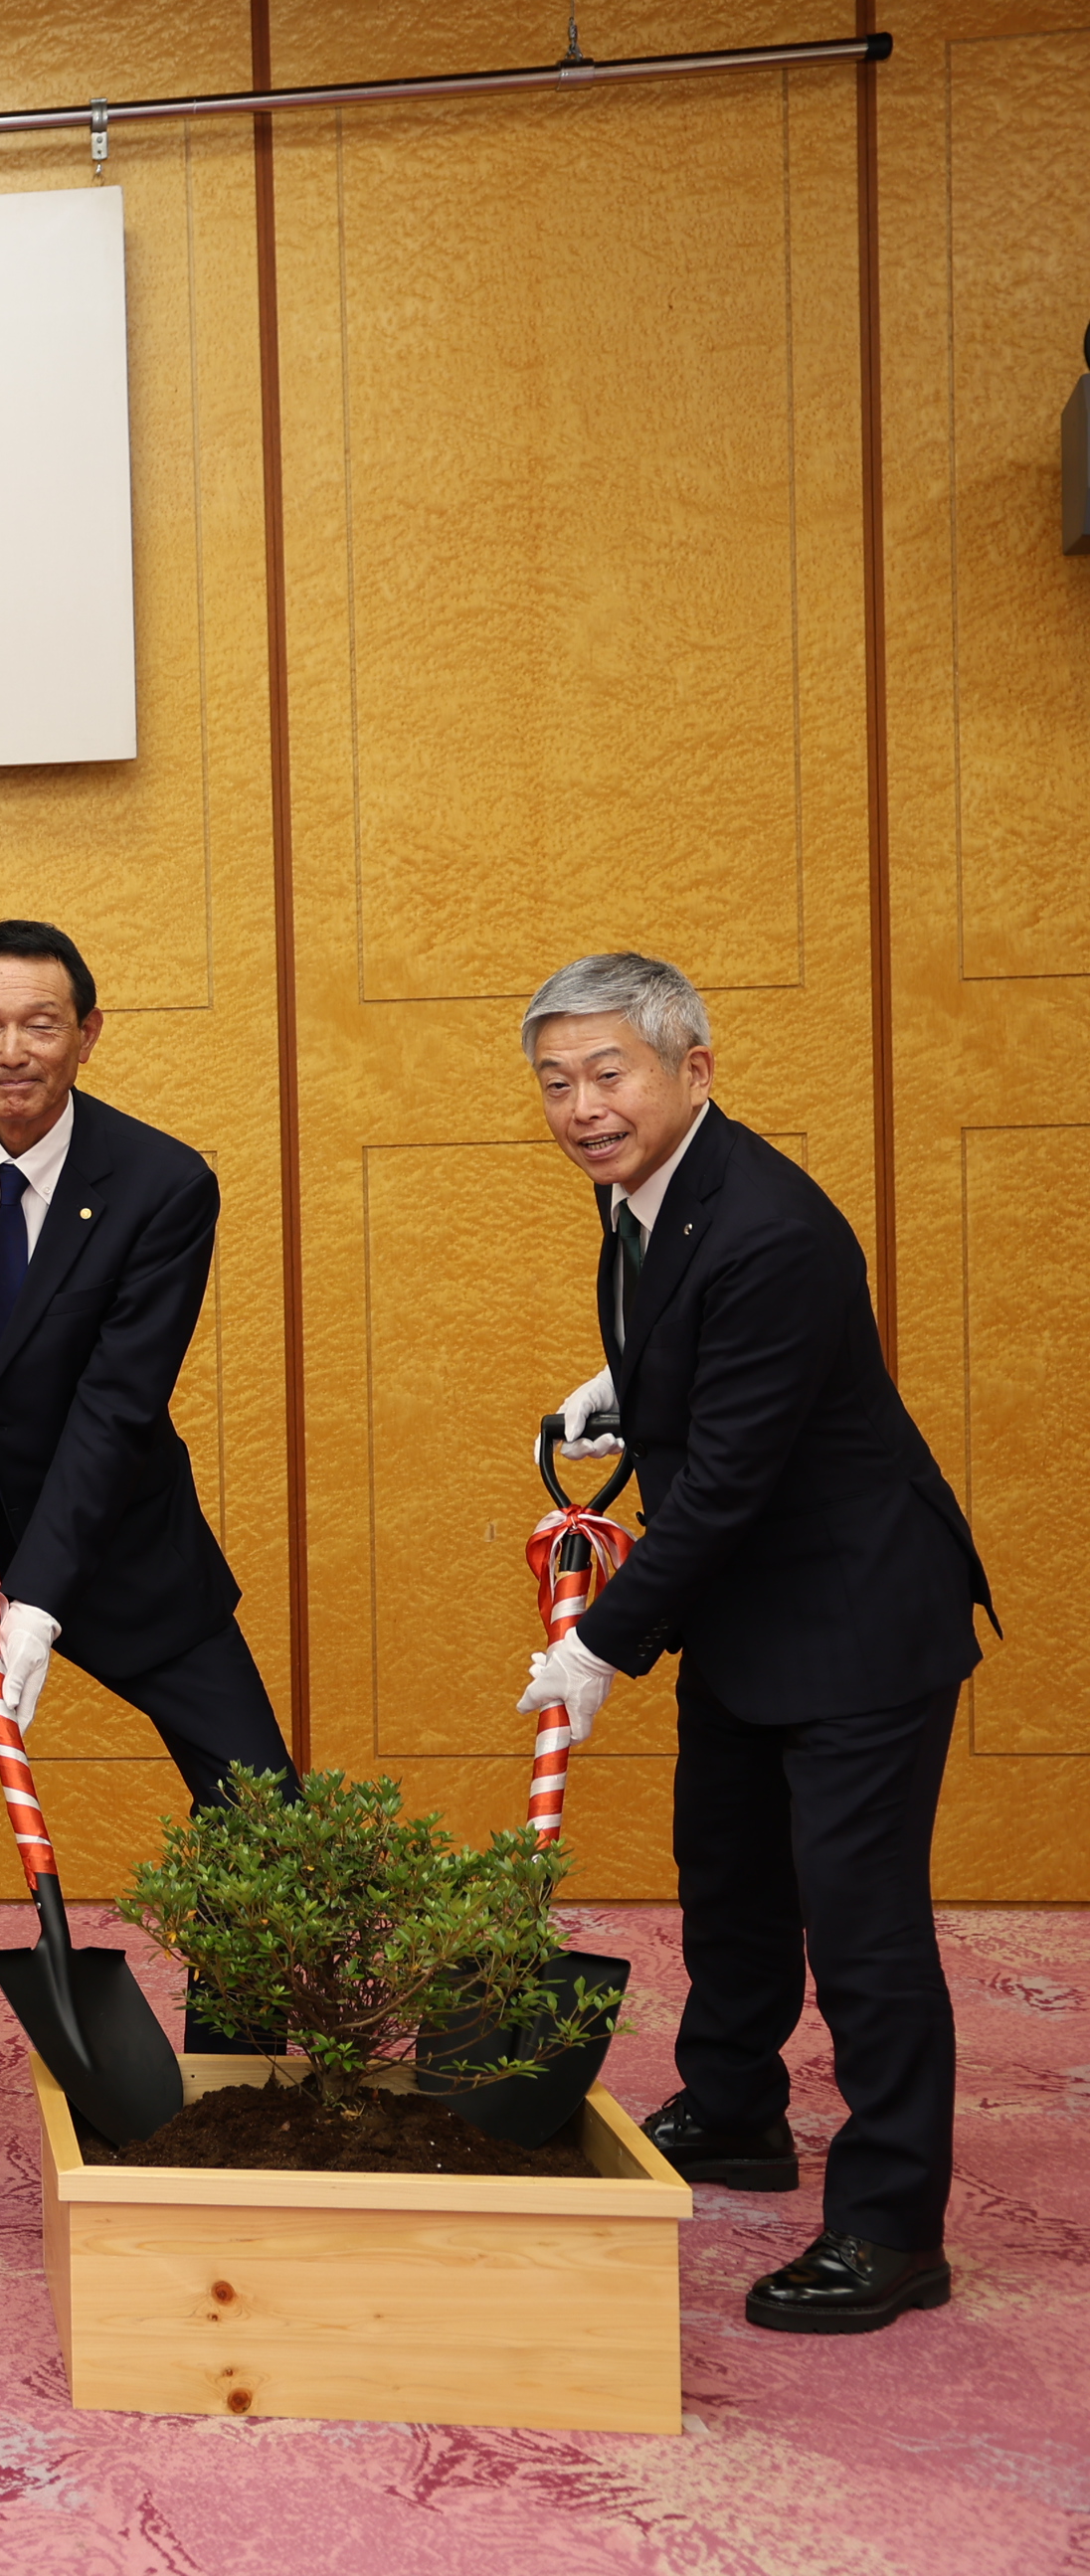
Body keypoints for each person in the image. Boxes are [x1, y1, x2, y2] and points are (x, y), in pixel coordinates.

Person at [515, 951, 993, 2333]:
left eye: (610, 1074)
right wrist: (636, 1383)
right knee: (726, 1876)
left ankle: (895, 2229)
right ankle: (733, 2111)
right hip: (746, 1612)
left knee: (863, 1930)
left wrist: (600, 1643)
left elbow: (728, 1480)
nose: (583, 1107)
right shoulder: (644, 1199)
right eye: (558, 1083)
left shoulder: (772, 1226)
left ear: (693, 1070)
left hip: (855, 1616)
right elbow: (707, 1377)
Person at [0, 920, 295, 2184]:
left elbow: (118, 1406)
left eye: (40, 1023)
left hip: (117, 1538)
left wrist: (44, 1602)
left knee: (259, 1797)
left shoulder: (163, 1181)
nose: (11, 1050)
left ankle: (234, 2074)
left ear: (88, 1030)